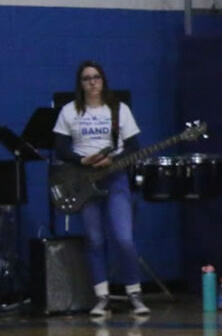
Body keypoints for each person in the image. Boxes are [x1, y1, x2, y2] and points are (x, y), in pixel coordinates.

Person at [52, 61, 150, 318]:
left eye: (96, 77)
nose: (92, 82)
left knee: (123, 238)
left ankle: (134, 293)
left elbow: (134, 146)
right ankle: (102, 296)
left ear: (103, 80)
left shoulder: (119, 110)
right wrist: (80, 159)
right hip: (85, 178)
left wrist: (113, 161)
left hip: (114, 176)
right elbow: (60, 147)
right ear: (80, 84)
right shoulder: (70, 111)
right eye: (86, 78)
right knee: (94, 239)